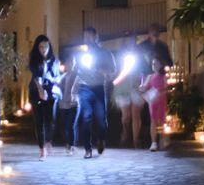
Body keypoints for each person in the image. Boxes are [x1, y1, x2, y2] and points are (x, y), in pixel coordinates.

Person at [63, 26, 113, 157]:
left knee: (101, 120)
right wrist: (72, 90)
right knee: (86, 117)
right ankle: (87, 148)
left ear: (96, 37)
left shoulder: (105, 53)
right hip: (84, 88)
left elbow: (112, 72)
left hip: (98, 88)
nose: (87, 39)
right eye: (85, 37)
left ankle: (101, 139)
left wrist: (102, 71)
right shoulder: (80, 54)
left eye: (90, 36)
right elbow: (74, 71)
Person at [27, 34, 64, 159]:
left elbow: (57, 76)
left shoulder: (54, 61)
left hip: (51, 91)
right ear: (37, 47)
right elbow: (36, 77)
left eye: (46, 46)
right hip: (36, 91)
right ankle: (42, 149)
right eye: (41, 46)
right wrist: (40, 90)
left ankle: (48, 141)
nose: (43, 49)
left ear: (49, 47)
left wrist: (57, 79)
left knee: (50, 119)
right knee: (39, 120)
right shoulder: (34, 60)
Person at [139, 23, 174, 151]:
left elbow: (169, 62)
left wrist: (162, 65)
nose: (155, 32)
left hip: (160, 78)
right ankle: (152, 140)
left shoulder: (162, 46)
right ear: (149, 31)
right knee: (151, 113)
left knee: (162, 115)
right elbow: (138, 62)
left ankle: (163, 138)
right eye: (153, 30)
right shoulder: (142, 46)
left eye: (157, 30)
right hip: (148, 78)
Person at [110, 33, 147, 149]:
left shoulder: (141, 55)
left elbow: (145, 70)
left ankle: (136, 139)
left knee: (136, 114)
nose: (131, 42)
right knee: (126, 115)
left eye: (133, 40)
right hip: (122, 87)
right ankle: (126, 131)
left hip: (136, 86)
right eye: (129, 41)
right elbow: (115, 71)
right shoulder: (120, 55)